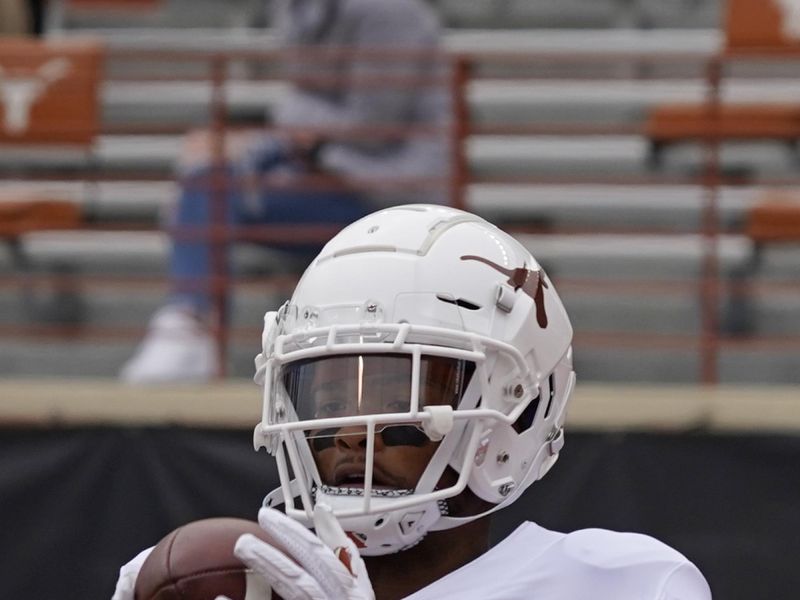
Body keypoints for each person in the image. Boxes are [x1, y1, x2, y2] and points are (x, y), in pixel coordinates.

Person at [113, 204, 711, 599]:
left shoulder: (622, 584)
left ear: (517, 411)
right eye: (325, 394)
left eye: (396, 393)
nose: (349, 431)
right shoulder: (231, 580)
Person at [120, 0, 450, 384]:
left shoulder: (390, 11)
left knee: (212, 184)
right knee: (207, 173)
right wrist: (258, 149)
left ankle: (191, 323)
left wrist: (285, 124)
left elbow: (372, 128)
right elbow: (307, 125)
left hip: (391, 198)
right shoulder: (293, 7)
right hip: (326, 173)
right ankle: (190, 326)